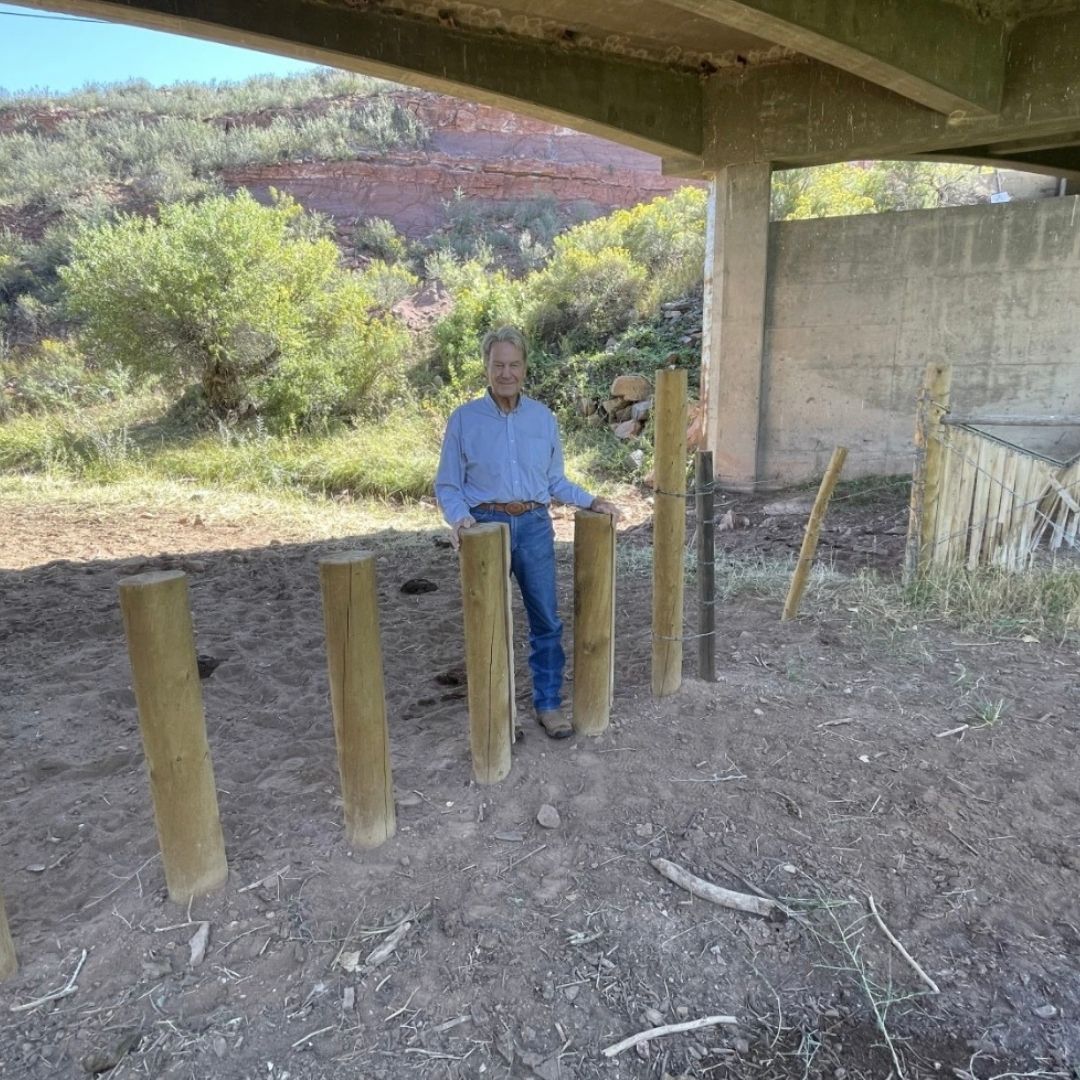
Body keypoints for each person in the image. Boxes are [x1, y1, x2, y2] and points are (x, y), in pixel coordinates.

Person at [435, 326, 619, 739]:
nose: (506, 373)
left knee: (546, 621)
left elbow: (555, 480)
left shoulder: (543, 418)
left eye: (513, 364)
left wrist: (591, 501)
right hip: (484, 527)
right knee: (488, 623)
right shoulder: (464, 420)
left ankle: (548, 706)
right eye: (497, 364)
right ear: (486, 367)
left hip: (536, 525)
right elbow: (448, 484)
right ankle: (497, 715)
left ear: (525, 367)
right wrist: (460, 519)